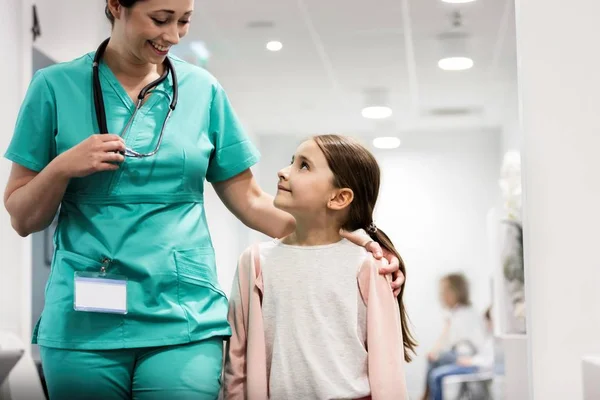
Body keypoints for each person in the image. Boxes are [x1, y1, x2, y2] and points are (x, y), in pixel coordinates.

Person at [2, 1, 404, 399]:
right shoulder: (54, 87)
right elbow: (22, 217)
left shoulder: (202, 90)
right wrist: (63, 167)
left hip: (184, 315)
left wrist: (348, 243)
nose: (172, 36)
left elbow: (250, 201)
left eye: (184, 21)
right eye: (160, 20)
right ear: (115, 5)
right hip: (85, 320)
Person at [223, 134, 417, 400]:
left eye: (304, 166)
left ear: (339, 198)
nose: (283, 171)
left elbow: (388, 368)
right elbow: (237, 361)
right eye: (292, 161)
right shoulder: (255, 261)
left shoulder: (369, 266)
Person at [422, 273, 487, 400]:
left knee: (434, 361)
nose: (441, 296)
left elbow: (449, 341)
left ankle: (425, 396)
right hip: (459, 354)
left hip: (467, 357)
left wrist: (435, 353)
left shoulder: (465, 314)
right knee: (433, 360)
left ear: (454, 293)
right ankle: (426, 396)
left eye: (444, 292)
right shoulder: (456, 314)